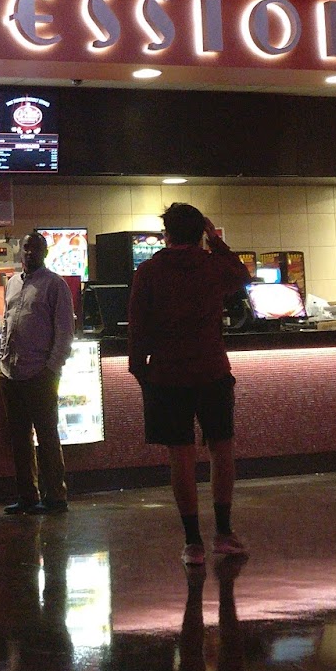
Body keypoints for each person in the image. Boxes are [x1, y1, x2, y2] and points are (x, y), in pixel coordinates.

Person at [127, 202, 252, 566]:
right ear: (201, 233)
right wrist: (217, 240)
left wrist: (141, 371)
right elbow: (241, 275)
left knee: (180, 456)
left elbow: (138, 325)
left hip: (167, 375)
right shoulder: (212, 266)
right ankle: (224, 533)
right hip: (212, 370)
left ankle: (193, 542)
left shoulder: (149, 271)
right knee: (221, 448)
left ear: (166, 234)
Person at [0, 230, 75, 515]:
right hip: (10, 371)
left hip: (39, 372)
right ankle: (27, 496)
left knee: (47, 436)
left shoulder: (55, 285)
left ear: (45, 252)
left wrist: (52, 368)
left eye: (36, 248)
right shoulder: (12, 283)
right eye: (26, 248)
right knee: (19, 438)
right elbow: (7, 321)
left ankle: (56, 496)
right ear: (21, 250)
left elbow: (65, 331)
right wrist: (2, 357)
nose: (30, 252)